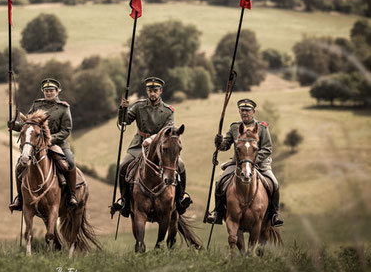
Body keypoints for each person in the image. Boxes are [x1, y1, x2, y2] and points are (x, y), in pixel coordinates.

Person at [110, 77, 192, 217]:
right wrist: (122, 109)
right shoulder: (138, 106)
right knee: (123, 165)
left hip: (161, 146)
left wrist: (152, 139)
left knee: (181, 165)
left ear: (160, 91)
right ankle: (124, 200)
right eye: (150, 90)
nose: (152, 93)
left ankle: (180, 199)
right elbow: (124, 121)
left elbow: (169, 129)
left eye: (155, 90)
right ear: (147, 91)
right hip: (139, 144)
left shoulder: (168, 111)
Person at [205, 98, 283, 227]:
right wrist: (219, 142)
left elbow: (267, 149)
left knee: (274, 183)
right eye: (242, 110)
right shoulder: (235, 127)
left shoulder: (262, 128)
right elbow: (225, 146)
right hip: (238, 164)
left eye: (248, 110)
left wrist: (251, 161)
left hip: (260, 164)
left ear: (253, 112)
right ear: (239, 111)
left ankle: (275, 214)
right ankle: (217, 213)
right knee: (219, 182)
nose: (245, 113)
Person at [8, 78, 78, 210]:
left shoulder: (63, 108)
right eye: (46, 91)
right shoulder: (36, 105)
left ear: (57, 92)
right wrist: (14, 126)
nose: (49, 93)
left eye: (51, 90)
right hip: (36, 144)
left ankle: (72, 195)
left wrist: (49, 139)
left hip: (57, 143)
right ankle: (20, 199)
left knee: (69, 162)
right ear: (43, 92)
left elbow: (66, 131)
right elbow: (27, 124)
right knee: (19, 166)